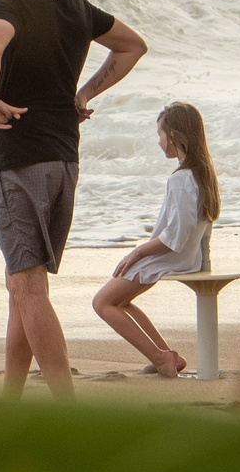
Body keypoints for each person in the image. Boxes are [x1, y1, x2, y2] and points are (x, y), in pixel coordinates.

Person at [0, 0, 147, 399]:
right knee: (21, 287)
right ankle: (8, 403)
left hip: (19, 159)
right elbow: (132, 45)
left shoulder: (11, 3)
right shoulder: (74, 3)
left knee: (29, 290)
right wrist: (85, 94)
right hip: (64, 160)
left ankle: (66, 409)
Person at [92, 101, 219, 377]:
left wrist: (138, 253)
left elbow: (174, 235)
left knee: (102, 302)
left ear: (174, 137)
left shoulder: (182, 180)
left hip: (170, 257)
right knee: (121, 302)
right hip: (186, 257)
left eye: (160, 135)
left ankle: (161, 359)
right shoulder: (202, 175)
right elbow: (200, 230)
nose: (159, 142)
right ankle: (169, 356)